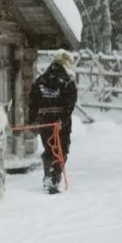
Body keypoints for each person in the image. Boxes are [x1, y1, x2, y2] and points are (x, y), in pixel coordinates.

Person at [28, 50, 78, 194]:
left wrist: (32, 120)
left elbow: (32, 101)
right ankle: (53, 178)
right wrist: (62, 119)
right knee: (62, 149)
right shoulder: (67, 80)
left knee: (49, 149)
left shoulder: (40, 80)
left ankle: (49, 176)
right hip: (60, 122)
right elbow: (70, 102)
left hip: (45, 121)